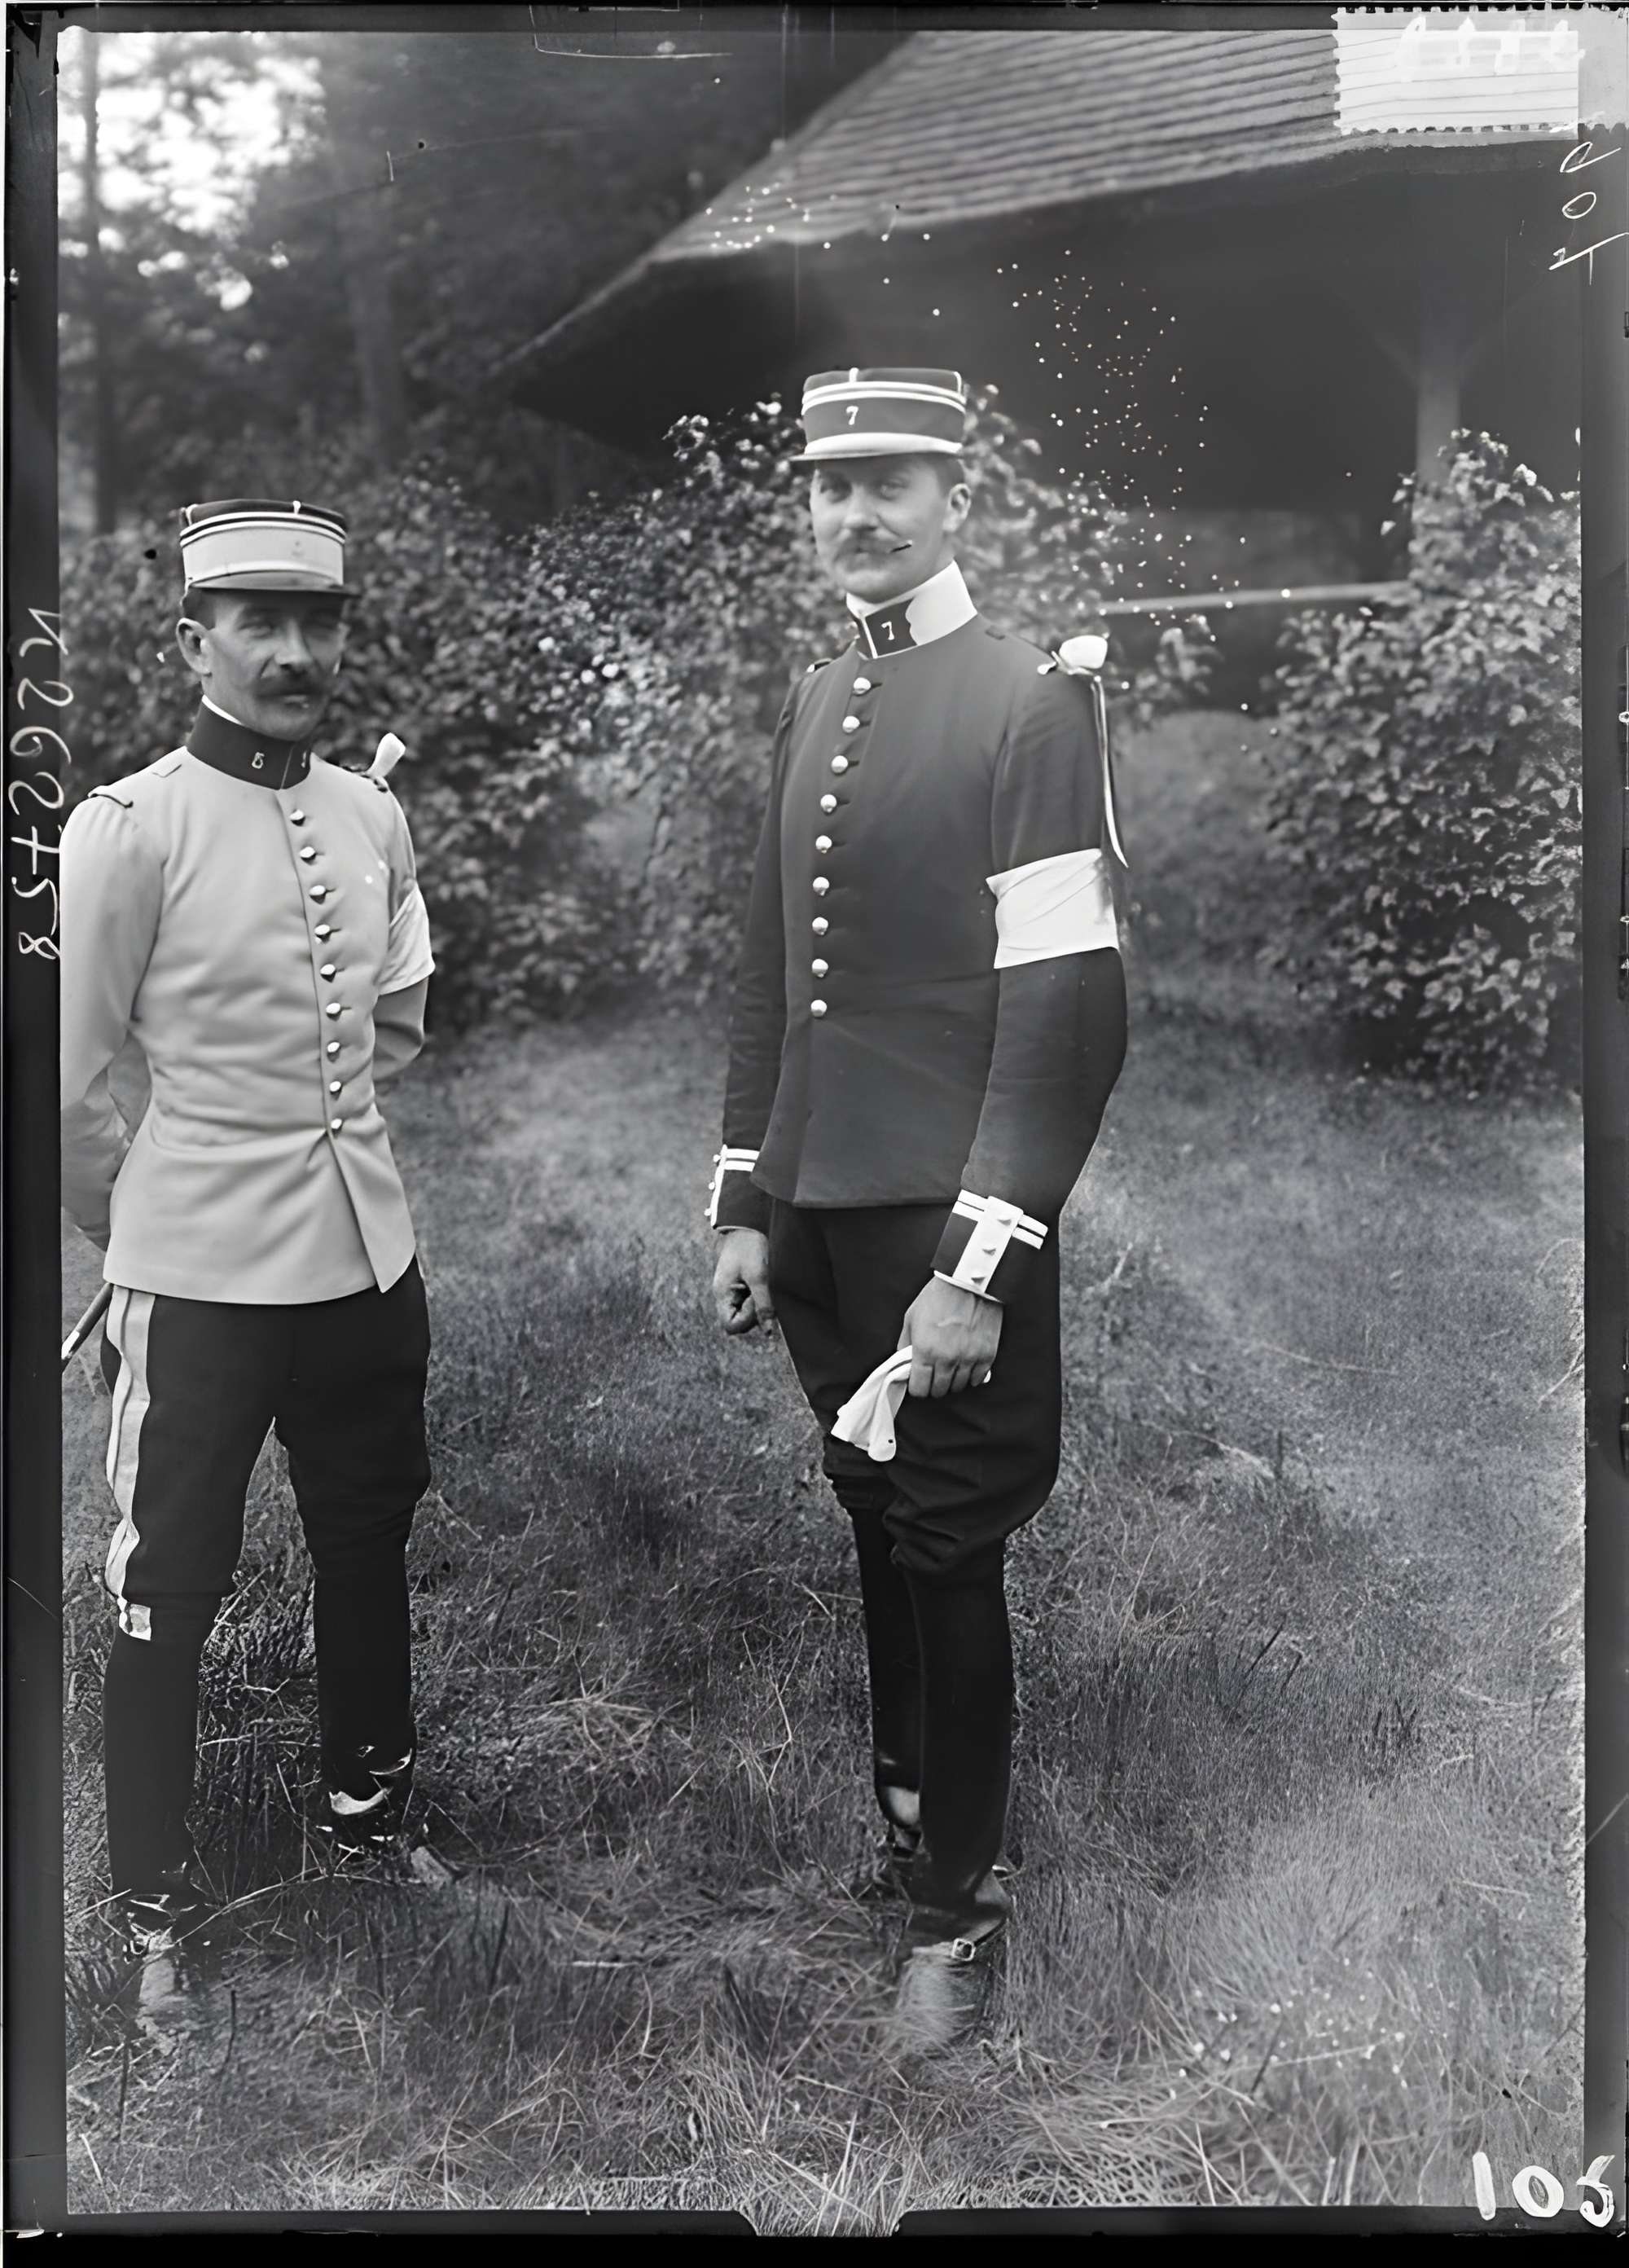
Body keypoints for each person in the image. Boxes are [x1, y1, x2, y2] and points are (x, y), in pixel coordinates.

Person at [708, 370, 1129, 2049]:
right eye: (827, 487)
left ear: (957, 492)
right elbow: (768, 968)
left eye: (887, 482)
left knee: (948, 1546)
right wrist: (747, 1194)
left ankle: (960, 1914)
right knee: (876, 1519)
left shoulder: (1031, 699)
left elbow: (1068, 1019)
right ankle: (908, 1830)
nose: (854, 516)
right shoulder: (822, 690)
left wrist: (980, 1264)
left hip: (942, 1218)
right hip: (818, 1204)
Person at [60, 498, 437, 1961]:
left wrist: (316, 1143)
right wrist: (141, 1231)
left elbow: (392, 1020)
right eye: (259, 624)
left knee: (367, 1540)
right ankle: (154, 1897)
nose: (294, 652)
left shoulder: (370, 811)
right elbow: (64, 1082)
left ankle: (367, 1820)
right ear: (193, 640)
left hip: (365, 1267)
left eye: (318, 621)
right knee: (169, 1578)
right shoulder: (128, 829)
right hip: (198, 1278)